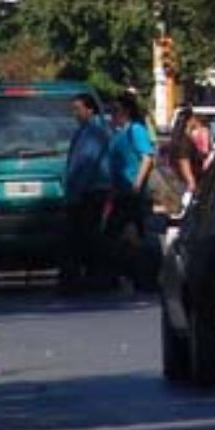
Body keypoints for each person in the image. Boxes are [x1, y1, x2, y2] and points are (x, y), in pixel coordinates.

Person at [105, 92, 157, 292]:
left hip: (132, 192)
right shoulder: (119, 132)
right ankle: (129, 274)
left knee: (128, 234)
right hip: (120, 191)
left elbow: (147, 157)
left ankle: (139, 276)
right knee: (124, 235)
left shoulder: (135, 130)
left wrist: (137, 183)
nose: (112, 114)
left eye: (116, 110)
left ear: (126, 111)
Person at [61, 94, 112, 291]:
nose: (75, 113)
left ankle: (98, 275)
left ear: (90, 110)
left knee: (88, 235)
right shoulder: (82, 131)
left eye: (78, 109)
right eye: (73, 109)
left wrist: (76, 192)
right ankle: (88, 274)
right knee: (81, 236)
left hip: (91, 192)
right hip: (82, 191)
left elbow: (86, 164)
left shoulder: (94, 132)